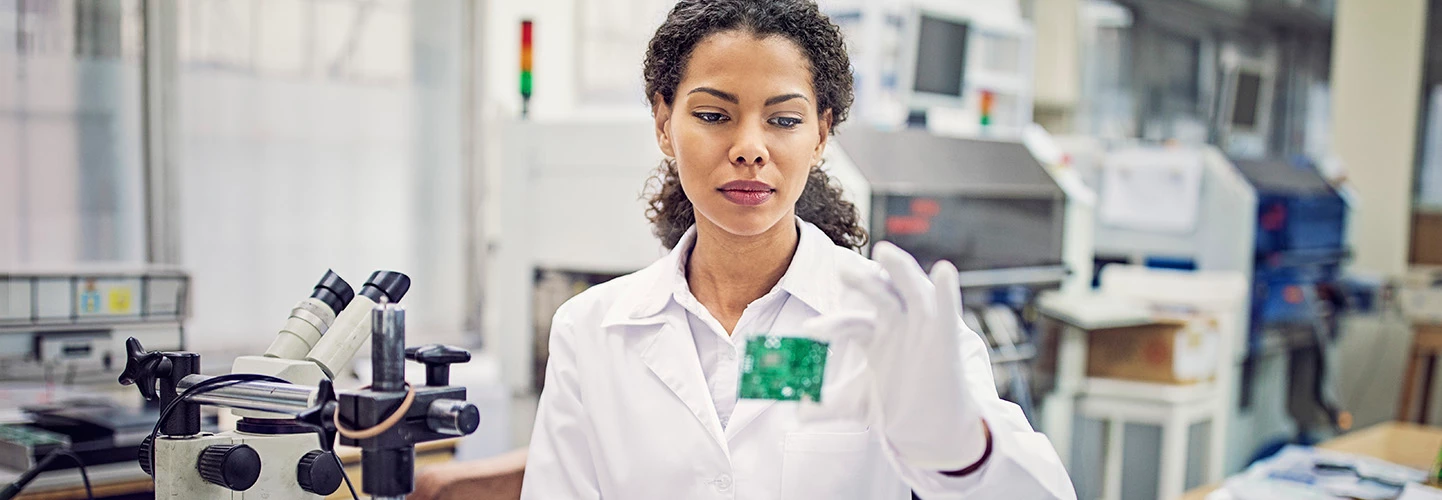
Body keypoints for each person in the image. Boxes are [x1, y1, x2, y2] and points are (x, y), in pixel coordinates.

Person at [520, 1, 1076, 498]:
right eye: (714, 116)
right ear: (665, 124)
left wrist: (962, 450)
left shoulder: (888, 325)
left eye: (784, 120)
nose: (749, 149)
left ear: (821, 135)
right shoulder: (590, 332)